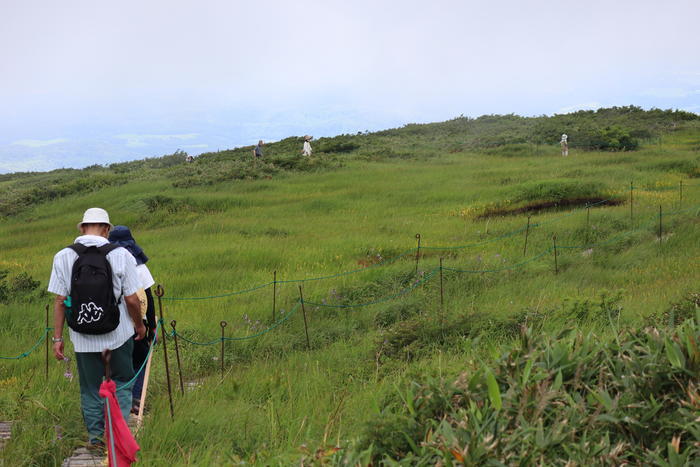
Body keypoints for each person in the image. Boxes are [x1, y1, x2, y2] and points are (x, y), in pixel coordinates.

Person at [48, 208, 145, 451]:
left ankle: (96, 438)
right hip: (119, 335)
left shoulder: (62, 256)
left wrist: (57, 338)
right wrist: (140, 325)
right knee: (122, 382)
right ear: (107, 229)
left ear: (81, 228)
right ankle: (118, 435)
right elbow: (132, 300)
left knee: (90, 387)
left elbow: (60, 301)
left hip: (82, 338)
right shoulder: (121, 254)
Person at [108, 226, 156, 415]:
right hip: (137, 324)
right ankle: (135, 400)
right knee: (140, 359)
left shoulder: (105, 263)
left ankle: (115, 404)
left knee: (115, 366)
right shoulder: (139, 267)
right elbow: (149, 299)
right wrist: (151, 327)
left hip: (110, 324)